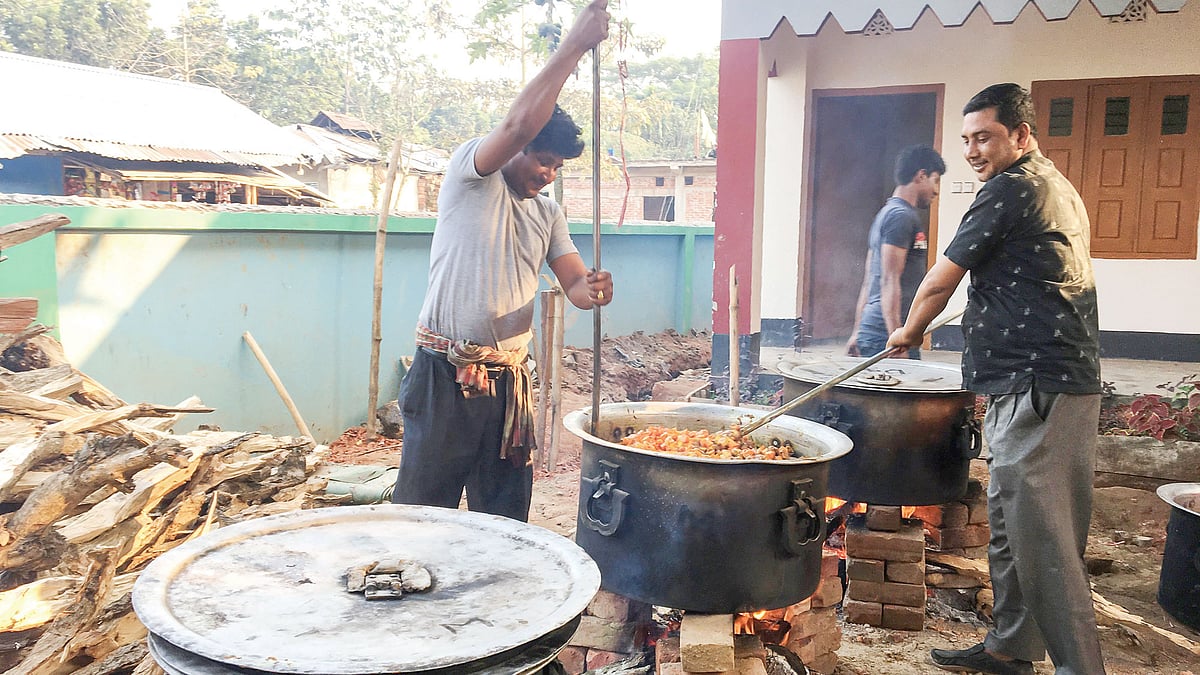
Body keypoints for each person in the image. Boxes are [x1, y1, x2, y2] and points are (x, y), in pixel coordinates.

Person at [888, 83, 1104, 675]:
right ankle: (1010, 648)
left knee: (1047, 544)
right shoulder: (1054, 184)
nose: (972, 151)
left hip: (1040, 385)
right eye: (966, 140)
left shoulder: (1010, 189)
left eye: (984, 137)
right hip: (1032, 382)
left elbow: (941, 279)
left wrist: (909, 331)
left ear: (1021, 135)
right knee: (1011, 527)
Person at [390, 0, 613, 523]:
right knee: (422, 515)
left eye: (557, 167)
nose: (548, 174)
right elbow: (516, 124)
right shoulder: (473, 177)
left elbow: (575, 286)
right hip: (446, 375)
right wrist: (575, 45)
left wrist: (595, 290)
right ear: (517, 149)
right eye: (543, 160)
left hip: (509, 383)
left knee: (505, 517)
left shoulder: (548, 213)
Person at [845, 144, 946, 359]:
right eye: (936, 180)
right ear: (921, 175)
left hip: (880, 333)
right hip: (887, 335)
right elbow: (888, 280)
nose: (936, 190)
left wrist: (857, 332)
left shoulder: (886, 214)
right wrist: (896, 340)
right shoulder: (900, 217)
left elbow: (869, 281)